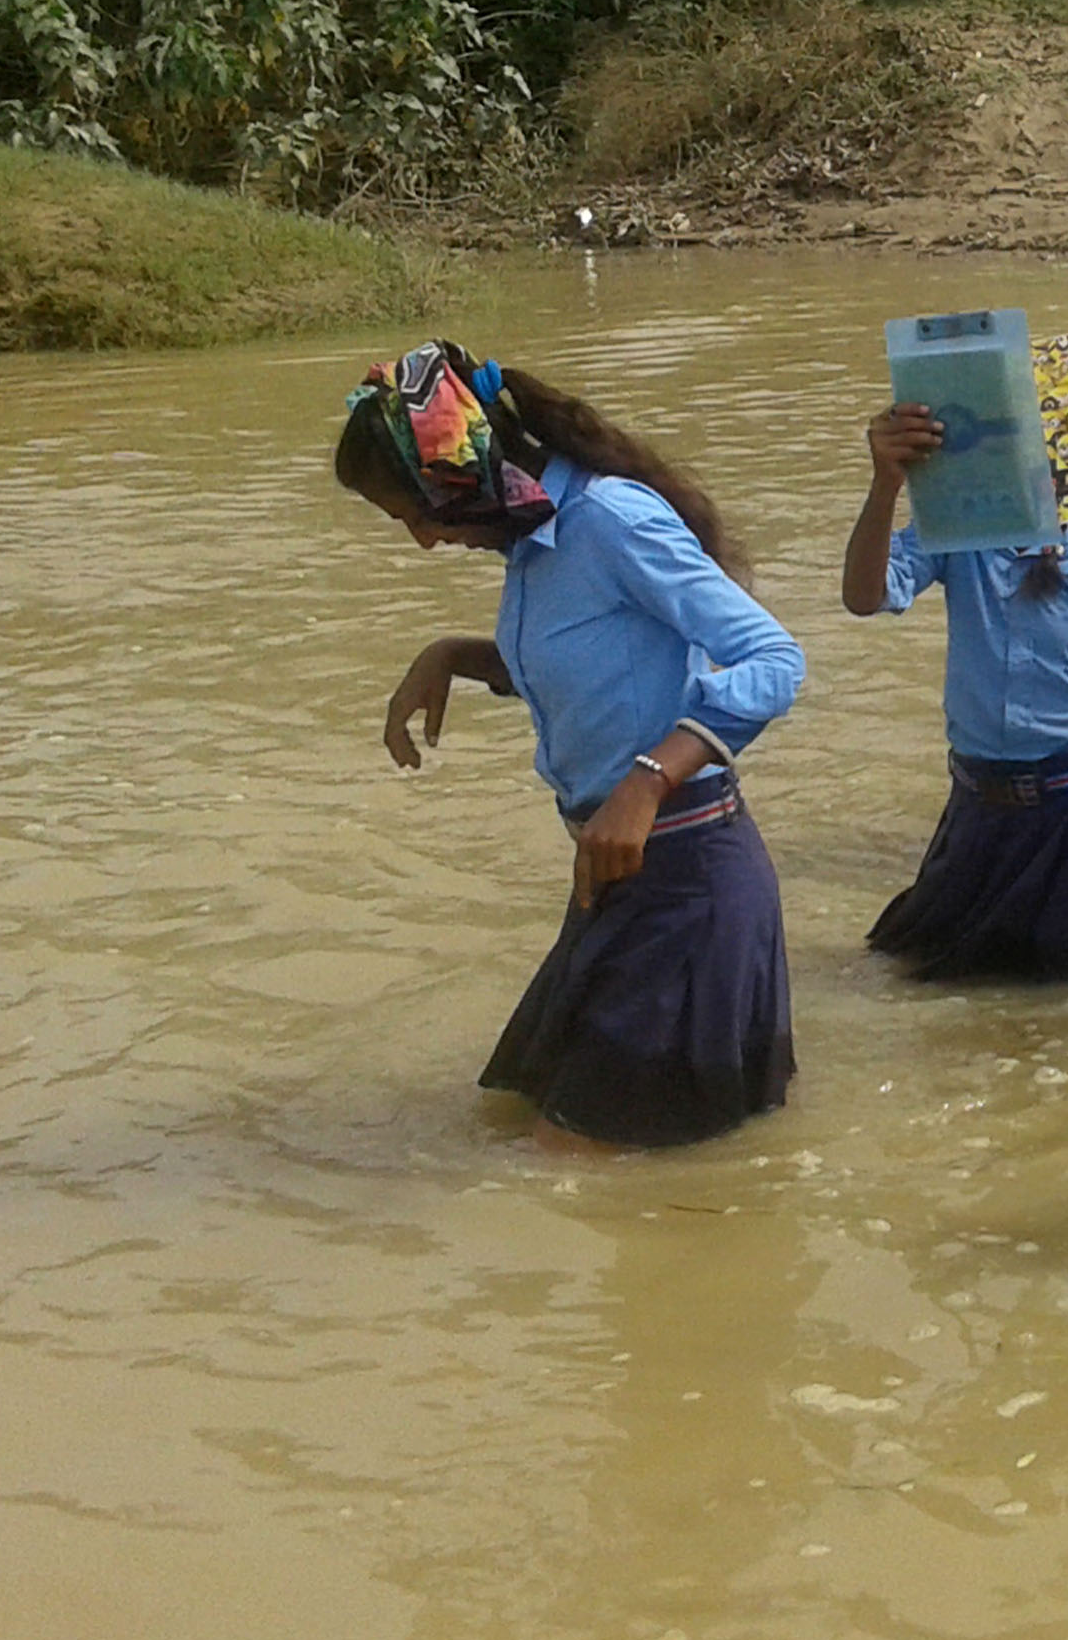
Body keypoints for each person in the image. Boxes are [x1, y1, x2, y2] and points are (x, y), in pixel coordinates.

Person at [334, 341, 802, 1148]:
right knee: (535, 1129)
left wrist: (647, 781)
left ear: (452, 476)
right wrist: (453, 655)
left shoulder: (606, 520)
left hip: (687, 881)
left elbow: (775, 659)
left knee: (578, 1157)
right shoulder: (536, 545)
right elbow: (598, 670)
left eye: (413, 514)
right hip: (618, 878)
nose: (421, 541)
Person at [842, 405, 1068, 983]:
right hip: (979, 814)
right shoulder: (959, 539)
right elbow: (865, 596)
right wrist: (885, 482)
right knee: (919, 978)